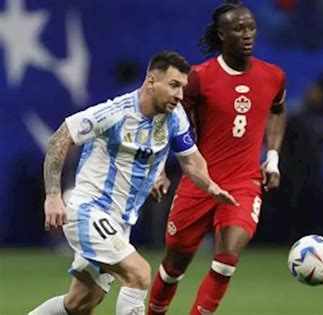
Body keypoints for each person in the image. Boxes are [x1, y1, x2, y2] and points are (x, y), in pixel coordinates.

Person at [29, 51, 237, 315]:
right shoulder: (116, 113)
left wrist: (210, 186)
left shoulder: (175, 118)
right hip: (88, 211)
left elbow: (191, 161)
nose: (180, 95)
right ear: (152, 81)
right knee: (139, 273)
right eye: (174, 85)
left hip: (119, 222)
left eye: (183, 88)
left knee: (80, 302)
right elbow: (60, 137)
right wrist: (53, 195)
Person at [147, 2, 287, 314]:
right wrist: (159, 167)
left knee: (226, 261)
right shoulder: (198, 77)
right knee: (173, 267)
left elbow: (277, 110)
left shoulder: (273, 76)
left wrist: (273, 157)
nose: (247, 34)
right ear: (222, 35)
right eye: (239, 29)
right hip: (200, 182)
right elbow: (167, 119)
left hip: (243, 184)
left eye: (251, 27)